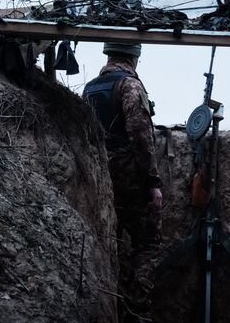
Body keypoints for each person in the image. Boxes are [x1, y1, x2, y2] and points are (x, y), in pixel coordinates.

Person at [83, 42, 162, 320]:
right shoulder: (130, 86)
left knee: (112, 242)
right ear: (135, 57)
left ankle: (113, 305)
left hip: (100, 177)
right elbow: (141, 136)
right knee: (148, 243)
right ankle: (137, 311)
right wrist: (153, 181)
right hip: (130, 177)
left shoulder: (90, 87)